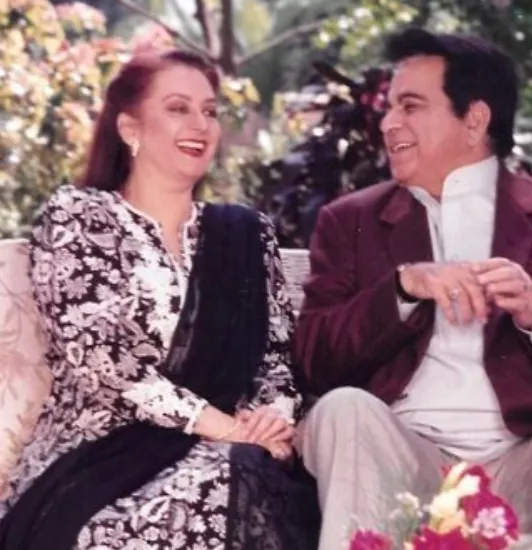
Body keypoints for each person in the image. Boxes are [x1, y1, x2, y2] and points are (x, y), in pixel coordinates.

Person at [294, 27, 532, 550]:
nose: (388, 122)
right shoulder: (350, 220)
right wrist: (402, 289)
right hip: (405, 470)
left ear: (474, 120)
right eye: (390, 107)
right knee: (341, 409)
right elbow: (312, 361)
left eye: (410, 106)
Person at [0, 49, 319, 550]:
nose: (200, 124)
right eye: (178, 108)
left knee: (247, 480)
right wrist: (224, 427)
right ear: (130, 128)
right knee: (219, 484)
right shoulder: (80, 217)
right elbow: (102, 361)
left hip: (230, 453)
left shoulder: (246, 233)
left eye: (209, 111)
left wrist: (271, 421)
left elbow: (274, 359)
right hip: (96, 458)